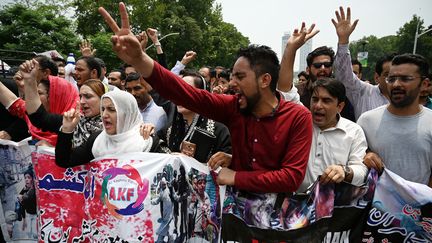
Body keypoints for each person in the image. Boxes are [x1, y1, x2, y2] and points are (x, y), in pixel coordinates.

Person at [99, 3, 313, 193]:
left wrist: (237, 176)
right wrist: (139, 59)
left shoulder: (298, 116)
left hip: (278, 225)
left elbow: (290, 178)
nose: (231, 84)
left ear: (265, 80)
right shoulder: (233, 107)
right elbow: (185, 93)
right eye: (232, 76)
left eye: (240, 77)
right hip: (232, 217)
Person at [357, 53, 432, 186]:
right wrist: (366, 156)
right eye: (391, 79)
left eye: (405, 79)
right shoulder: (367, 121)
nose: (396, 84)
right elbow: (354, 159)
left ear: (424, 84)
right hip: (375, 205)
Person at [55, 90, 164, 167]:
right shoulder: (97, 140)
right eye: (103, 109)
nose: (104, 115)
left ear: (127, 114)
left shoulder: (146, 141)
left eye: (112, 109)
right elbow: (64, 161)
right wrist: (67, 130)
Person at [297, 78, 368, 192]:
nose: (318, 106)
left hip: (333, 206)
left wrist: (343, 171)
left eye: (326, 101)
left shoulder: (354, 132)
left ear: (340, 106)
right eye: (315, 99)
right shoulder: (300, 124)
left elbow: (361, 172)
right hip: (295, 203)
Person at [333, 7, 394, 120]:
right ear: (377, 77)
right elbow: (344, 77)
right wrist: (343, 42)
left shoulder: (411, 101)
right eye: (388, 76)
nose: (395, 82)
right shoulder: (363, 92)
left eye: (402, 77)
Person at [0, 58, 78, 146]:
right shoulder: (31, 114)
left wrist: (53, 148)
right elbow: (11, 101)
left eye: (39, 93)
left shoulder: (76, 125)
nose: (33, 97)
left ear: (56, 97)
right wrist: (28, 82)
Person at [25, 78, 105, 147]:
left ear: (103, 99)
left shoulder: (112, 127)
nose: (82, 101)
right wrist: (29, 80)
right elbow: (40, 118)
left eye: (88, 96)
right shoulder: (74, 121)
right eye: (80, 97)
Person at [18, 168, 37, 238]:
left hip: (36, 215)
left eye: (28, 177)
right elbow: (21, 203)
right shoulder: (25, 188)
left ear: (32, 178)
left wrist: (22, 197)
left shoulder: (35, 189)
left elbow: (29, 197)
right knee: (28, 233)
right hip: (28, 214)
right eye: (25, 178)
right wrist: (24, 219)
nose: (26, 179)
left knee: (35, 234)